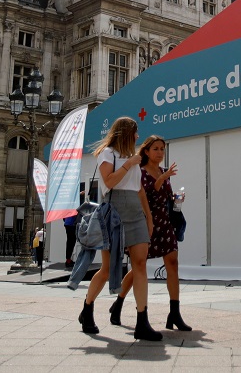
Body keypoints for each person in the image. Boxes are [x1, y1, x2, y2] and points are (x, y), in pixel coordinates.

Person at [77, 117, 161, 340]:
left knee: (140, 264)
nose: (137, 136)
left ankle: (142, 321)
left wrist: (149, 218)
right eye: (134, 132)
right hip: (113, 211)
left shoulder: (133, 157)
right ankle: (87, 309)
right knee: (106, 269)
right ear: (125, 133)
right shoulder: (108, 154)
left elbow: (140, 189)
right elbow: (110, 182)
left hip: (135, 210)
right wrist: (129, 163)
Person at [108, 135, 191, 331]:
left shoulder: (163, 171)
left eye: (162, 149)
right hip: (146, 222)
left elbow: (163, 196)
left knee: (172, 263)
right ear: (146, 151)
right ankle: (118, 303)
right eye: (156, 149)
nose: (160, 152)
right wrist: (162, 178)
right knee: (139, 266)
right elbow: (147, 194)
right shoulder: (140, 171)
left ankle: (175, 313)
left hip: (165, 222)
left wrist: (176, 199)